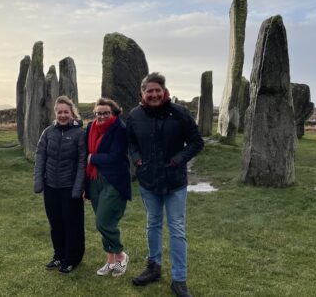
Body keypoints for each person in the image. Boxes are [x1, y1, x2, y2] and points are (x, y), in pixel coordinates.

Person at [127, 72, 204, 297]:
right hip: (148, 180)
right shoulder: (134, 116)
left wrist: (178, 159)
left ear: (164, 91)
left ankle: (179, 279)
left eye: (156, 90)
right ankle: (154, 267)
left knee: (177, 229)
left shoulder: (179, 113)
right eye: (148, 91)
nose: (153, 94)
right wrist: (137, 159)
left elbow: (196, 142)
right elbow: (130, 142)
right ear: (142, 93)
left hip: (174, 181)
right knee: (153, 224)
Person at [34, 95, 86, 274]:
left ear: (72, 113)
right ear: (55, 113)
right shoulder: (48, 132)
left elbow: (82, 163)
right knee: (55, 223)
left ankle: (72, 258)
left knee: (72, 224)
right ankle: (58, 255)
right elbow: (40, 156)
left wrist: (78, 188)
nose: (63, 115)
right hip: (51, 187)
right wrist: (39, 181)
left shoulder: (79, 133)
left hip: (70, 187)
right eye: (60, 112)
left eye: (66, 112)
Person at [85, 98, 132, 277]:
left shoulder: (119, 129)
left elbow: (116, 156)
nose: (102, 116)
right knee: (104, 221)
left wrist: (93, 158)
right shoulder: (90, 127)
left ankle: (121, 255)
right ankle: (110, 260)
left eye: (106, 113)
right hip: (94, 179)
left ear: (114, 113)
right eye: (99, 113)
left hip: (114, 180)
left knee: (103, 222)